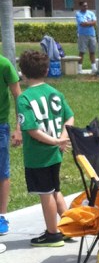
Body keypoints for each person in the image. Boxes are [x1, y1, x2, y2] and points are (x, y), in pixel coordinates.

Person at [16, 50, 74, 247]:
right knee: (55, 189)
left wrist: (54, 141)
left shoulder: (24, 98)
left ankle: (53, 233)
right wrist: (62, 138)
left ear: (22, 72)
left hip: (38, 155)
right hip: (55, 154)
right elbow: (70, 117)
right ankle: (68, 226)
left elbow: (31, 130)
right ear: (47, 70)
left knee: (46, 193)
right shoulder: (55, 94)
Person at [0, 52, 22, 237]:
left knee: (2, 173)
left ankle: (1, 216)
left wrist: (19, 127)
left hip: (0, 126)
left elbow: (18, 96)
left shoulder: (4, 64)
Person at [75, 0, 97, 73]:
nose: (86, 7)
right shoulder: (78, 14)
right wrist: (90, 23)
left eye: (86, 5)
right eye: (84, 6)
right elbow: (82, 24)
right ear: (80, 6)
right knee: (82, 51)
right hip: (82, 35)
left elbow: (94, 22)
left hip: (92, 34)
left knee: (92, 51)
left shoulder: (91, 13)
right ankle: (79, 68)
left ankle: (93, 68)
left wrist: (88, 23)